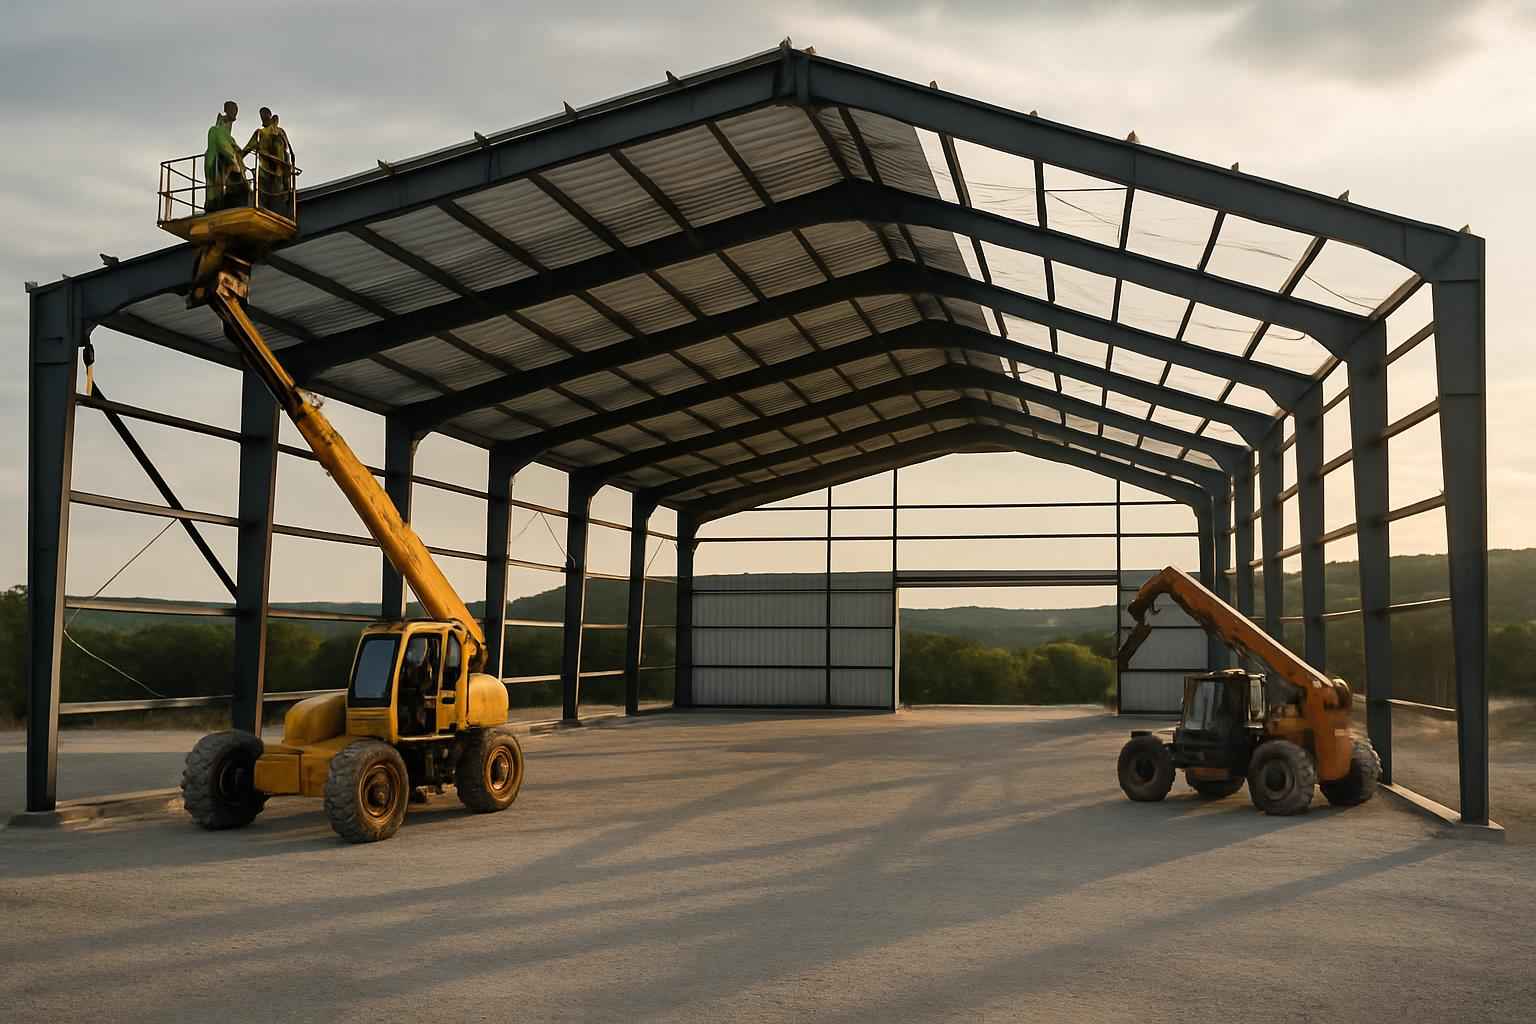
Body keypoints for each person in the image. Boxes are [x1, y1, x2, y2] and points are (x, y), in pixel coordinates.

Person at [243, 107, 296, 216]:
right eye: (262, 116)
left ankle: (283, 204)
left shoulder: (279, 131)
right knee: (263, 194)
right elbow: (246, 150)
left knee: (278, 195)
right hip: (265, 171)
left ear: (270, 115)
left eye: (265, 115)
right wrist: (238, 157)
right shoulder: (259, 133)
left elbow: (288, 150)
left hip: (279, 171)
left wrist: (289, 165)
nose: (263, 118)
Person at [203, 100, 247, 212]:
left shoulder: (229, 137)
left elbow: (236, 152)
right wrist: (235, 161)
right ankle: (216, 201)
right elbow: (224, 149)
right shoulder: (215, 131)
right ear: (226, 110)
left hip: (226, 175)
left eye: (235, 111)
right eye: (233, 110)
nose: (234, 113)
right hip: (217, 169)